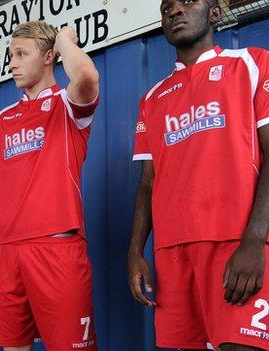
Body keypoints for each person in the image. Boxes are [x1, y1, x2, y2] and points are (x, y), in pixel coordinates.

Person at [128, 1, 269, 350]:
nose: (175, 10)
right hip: (172, 254)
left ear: (215, 14)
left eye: (187, 1)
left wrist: (255, 240)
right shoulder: (152, 98)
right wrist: (135, 251)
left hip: (235, 244)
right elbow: (148, 183)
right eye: (167, 8)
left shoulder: (252, 63)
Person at [0, 21, 100, 350]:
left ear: (48, 57)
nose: (11, 63)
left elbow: (86, 76)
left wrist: (62, 40)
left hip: (56, 248)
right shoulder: (2, 119)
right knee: (14, 345)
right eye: (9, 55)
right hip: (8, 251)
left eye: (21, 54)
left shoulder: (66, 104)